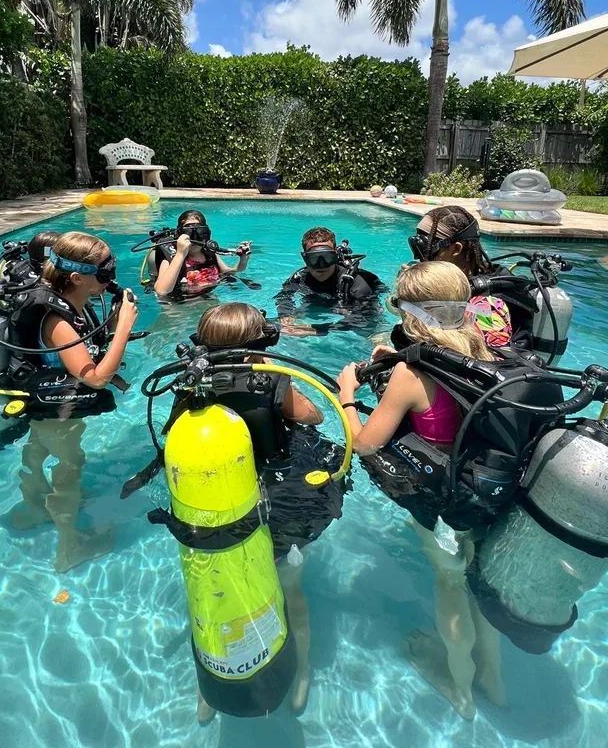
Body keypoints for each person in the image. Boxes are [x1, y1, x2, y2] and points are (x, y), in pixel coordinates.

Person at [337, 261, 504, 720]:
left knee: (450, 584)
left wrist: (347, 395)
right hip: (488, 490)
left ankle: (461, 688)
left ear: (412, 313)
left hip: (444, 500)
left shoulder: (412, 375)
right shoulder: (486, 352)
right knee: (478, 585)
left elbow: (365, 443)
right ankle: (494, 677)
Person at [173, 302, 349, 721]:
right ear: (260, 342)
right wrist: (276, 375)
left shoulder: (189, 383)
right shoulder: (267, 377)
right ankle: (301, 672)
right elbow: (313, 415)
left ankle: (208, 691)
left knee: (214, 596)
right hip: (275, 509)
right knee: (291, 590)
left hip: (217, 514)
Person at [7, 231, 139, 572]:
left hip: (43, 405)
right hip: (58, 411)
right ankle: (69, 547)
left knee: (36, 450)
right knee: (70, 466)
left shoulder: (66, 301)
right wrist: (124, 327)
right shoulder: (58, 322)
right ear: (78, 278)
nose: (110, 275)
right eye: (105, 271)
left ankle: (34, 507)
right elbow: (95, 378)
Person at [408, 206, 521, 349]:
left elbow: (489, 358)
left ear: (456, 249)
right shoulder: (444, 285)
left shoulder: (486, 305)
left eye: (428, 249)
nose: (421, 259)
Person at [275, 227, 387, 337]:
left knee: (370, 332)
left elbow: (366, 317)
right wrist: (285, 314)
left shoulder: (354, 284)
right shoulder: (300, 278)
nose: (321, 265)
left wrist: (317, 330)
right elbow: (284, 296)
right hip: (318, 301)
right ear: (305, 258)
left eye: (327, 257)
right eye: (314, 258)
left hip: (347, 304)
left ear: (335, 256)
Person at [153, 209, 252, 298]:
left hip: (210, 299)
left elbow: (229, 272)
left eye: (200, 232)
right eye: (188, 232)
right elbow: (161, 291)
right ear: (179, 235)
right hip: (183, 306)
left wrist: (243, 260)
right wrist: (180, 255)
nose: (194, 237)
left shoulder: (209, 254)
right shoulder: (172, 259)